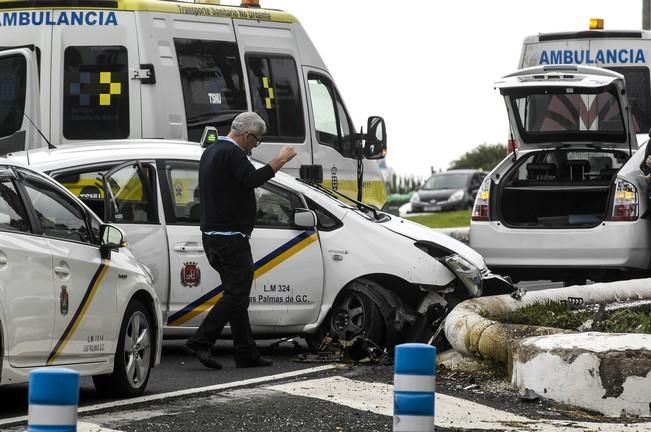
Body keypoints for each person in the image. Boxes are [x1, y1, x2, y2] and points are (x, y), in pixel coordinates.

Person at [184, 112, 297, 369]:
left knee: (237, 295)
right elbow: (252, 179)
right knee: (236, 295)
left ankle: (246, 352)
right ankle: (201, 340)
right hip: (230, 238)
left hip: (213, 237)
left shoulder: (212, 151)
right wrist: (280, 159)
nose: (255, 145)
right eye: (256, 140)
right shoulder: (233, 153)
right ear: (247, 135)